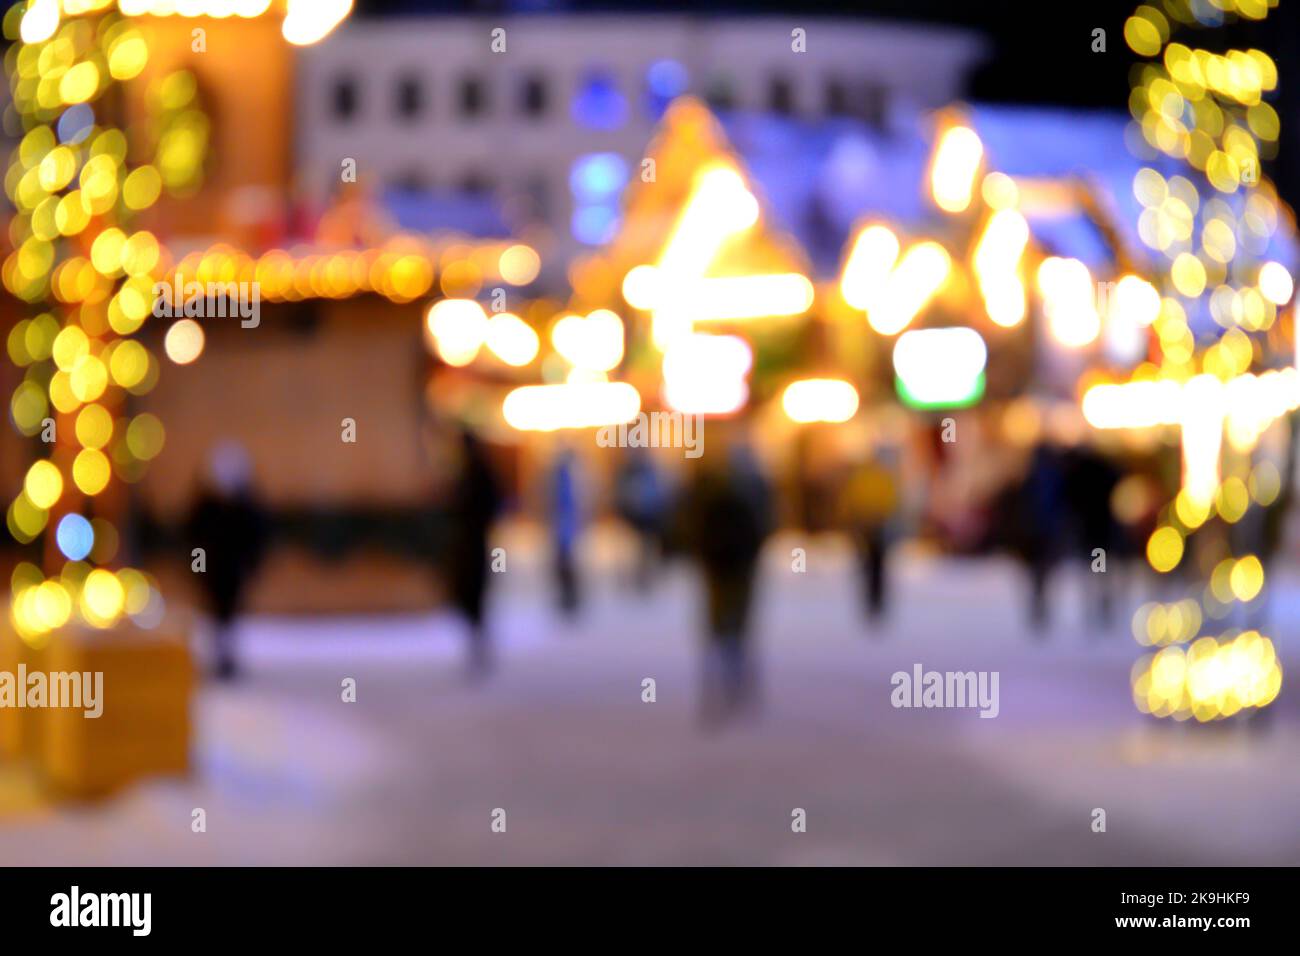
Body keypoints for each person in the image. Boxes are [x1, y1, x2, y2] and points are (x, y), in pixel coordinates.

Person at [682, 438, 773, 725]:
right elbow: (765, 524)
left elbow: (691, 526)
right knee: (737, 626)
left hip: (720, 567)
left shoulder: (710, 489)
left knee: (719, 627)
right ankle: (734, 682)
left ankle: (723, 684)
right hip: (736, 567)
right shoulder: (751, 487)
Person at [187, 441, 269, 681]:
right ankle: (219, 657)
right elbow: (194, 539)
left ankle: (228, 657)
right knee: (216, 616)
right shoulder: (205, 507)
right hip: (212, 571)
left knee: (230, 616)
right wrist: (197, 568)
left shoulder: (246, 506)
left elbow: (256, 537)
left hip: (234, 571)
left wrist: (250, 565)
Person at [442, 426, 503, 678]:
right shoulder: (468, 472)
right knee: (469, 594)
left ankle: (480, 644)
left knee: (475, 593)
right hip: (468, 542)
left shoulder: (477, 473)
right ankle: (477, 642)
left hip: (475, 543)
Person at [838, 447, 900, 625]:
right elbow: (855, 497)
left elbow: (889, 499)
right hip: (866, 525)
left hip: (877, 526)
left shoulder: (880, 477)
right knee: (866, 565)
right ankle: (868, 602)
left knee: (877, 566)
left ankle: (877, 602)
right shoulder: (870, 476)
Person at [613, 446, 667, 594]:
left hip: (648, 517)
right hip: (632, 516)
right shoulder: (627, 471)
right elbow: (622, 493)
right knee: (633, 548)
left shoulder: (649, 471)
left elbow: (657, 493)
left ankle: (645, 576)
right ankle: (632, 576)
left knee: (646, 547)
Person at [549, 443, 583, 617]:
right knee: (563, 565)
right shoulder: (562, 477)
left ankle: (570, 598)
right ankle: (568, 598)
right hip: (563, 527)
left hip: (567, 527)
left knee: (567, 565)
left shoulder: (570, 477)